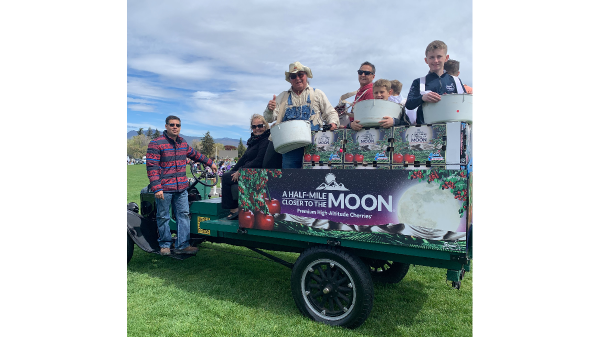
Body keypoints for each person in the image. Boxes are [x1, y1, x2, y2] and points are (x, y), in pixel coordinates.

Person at [146, 115, 218, 256]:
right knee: (163, 217)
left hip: (181, 188)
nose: (175, 127)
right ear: (166, 126)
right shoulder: (156, 143)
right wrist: (157, 187)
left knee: (184, 215)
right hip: (164, 189)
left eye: (178, 125)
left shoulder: (182, 143)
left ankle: (182, 245)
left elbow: (195, 154)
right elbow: (152, 167)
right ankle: (165, 244)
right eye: (172, 124)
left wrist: (210, 162)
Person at [264, 61, 339, 168]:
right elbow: (269, 119)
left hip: (315, 145)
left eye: (300, 75)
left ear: (306, 76)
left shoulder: (317, 94)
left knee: (314, 179)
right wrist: (269, 110)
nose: (297, 78)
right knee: (291, 179)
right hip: (290, 148)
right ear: (290, 80)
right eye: (293, 76)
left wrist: (333, 122)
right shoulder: (283, 97)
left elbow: (330, 112)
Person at [222, 114, 272, 220]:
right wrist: (233, 171)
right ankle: (234, 208)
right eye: (254, 127)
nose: (257, 129)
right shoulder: (253, 141)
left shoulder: (266, 139)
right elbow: (243, 159)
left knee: (227, 178)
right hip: (249, 170)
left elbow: (259, 161)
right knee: (227, 176)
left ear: (265, 125)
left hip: (260, 172)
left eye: (260, 126)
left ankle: (234, 209)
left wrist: (241, 171)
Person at [405, 40, 467, 125]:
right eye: (431, 57)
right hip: (427, 132)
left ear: (446, 58)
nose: (435, 60)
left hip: (453, 129)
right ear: (426, 60)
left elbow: (465, 105)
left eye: (439, 56)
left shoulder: (456, 81)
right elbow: (409, 105)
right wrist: (422, 98)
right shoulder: (418, 82)